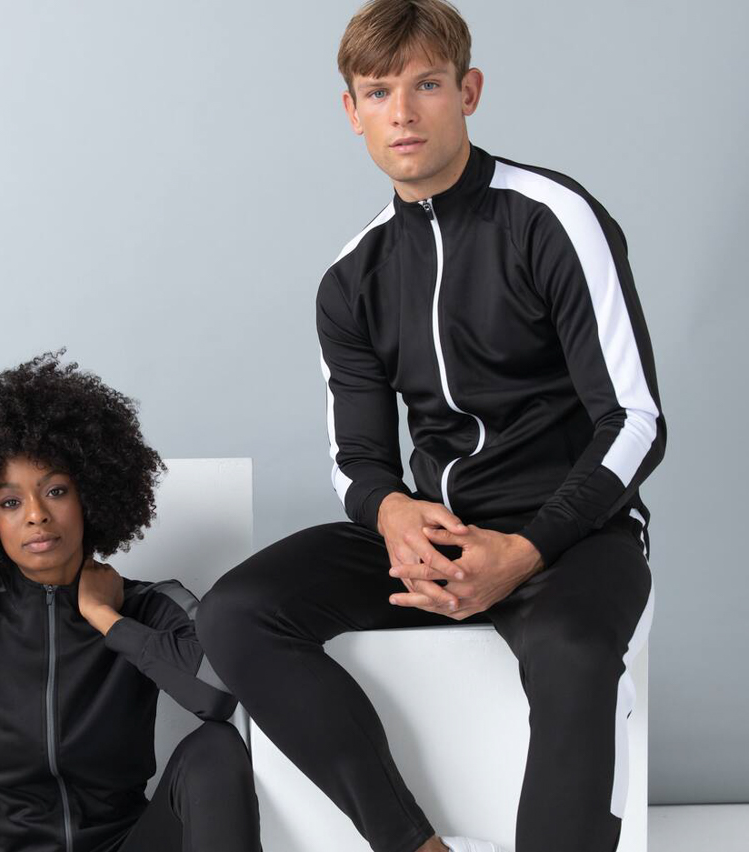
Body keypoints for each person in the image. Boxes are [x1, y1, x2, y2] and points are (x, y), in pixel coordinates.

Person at [198, 2, 664, 852]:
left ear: (468, 91)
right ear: (352, 111)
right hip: (439, 538)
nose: (403, 114)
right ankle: (413, 845)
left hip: (573, 538)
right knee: (235, 613)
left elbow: (633, 419)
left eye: (427, 85)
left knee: (572, 650)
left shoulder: (553, 217)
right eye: (378, 93)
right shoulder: (352, 277)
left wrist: (528, 549)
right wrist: (393, 515)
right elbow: (358, 458)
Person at [0, 351, 261, 852]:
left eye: (55, 491)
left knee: (217, 746)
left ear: (88, 494)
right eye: (10, 502)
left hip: (130, 843)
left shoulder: (149, 606)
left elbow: (219, 696)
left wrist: (107, 619)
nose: (36, 515)